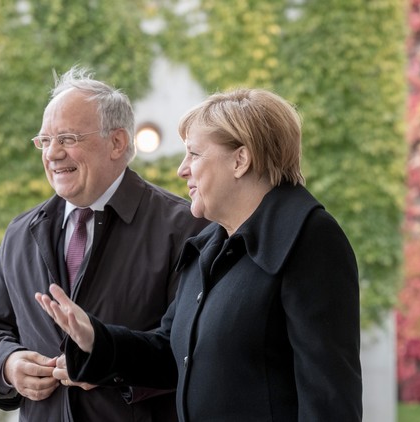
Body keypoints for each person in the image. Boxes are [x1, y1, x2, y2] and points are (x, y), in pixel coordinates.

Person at [36, 88, 363, 421]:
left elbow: (329, 400)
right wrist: (96, 338)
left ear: (240, 160)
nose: (182, 170)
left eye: (194, 154)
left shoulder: (309, 240)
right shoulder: (208, 245)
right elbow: (170, 354)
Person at [0, 66, 209, 421]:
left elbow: (194, 349)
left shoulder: (186, 227)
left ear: (117, 142)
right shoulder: (20, 233)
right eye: (45, 141)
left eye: (67, 138)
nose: (52, 154)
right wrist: (7, 364)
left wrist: (108, 363)